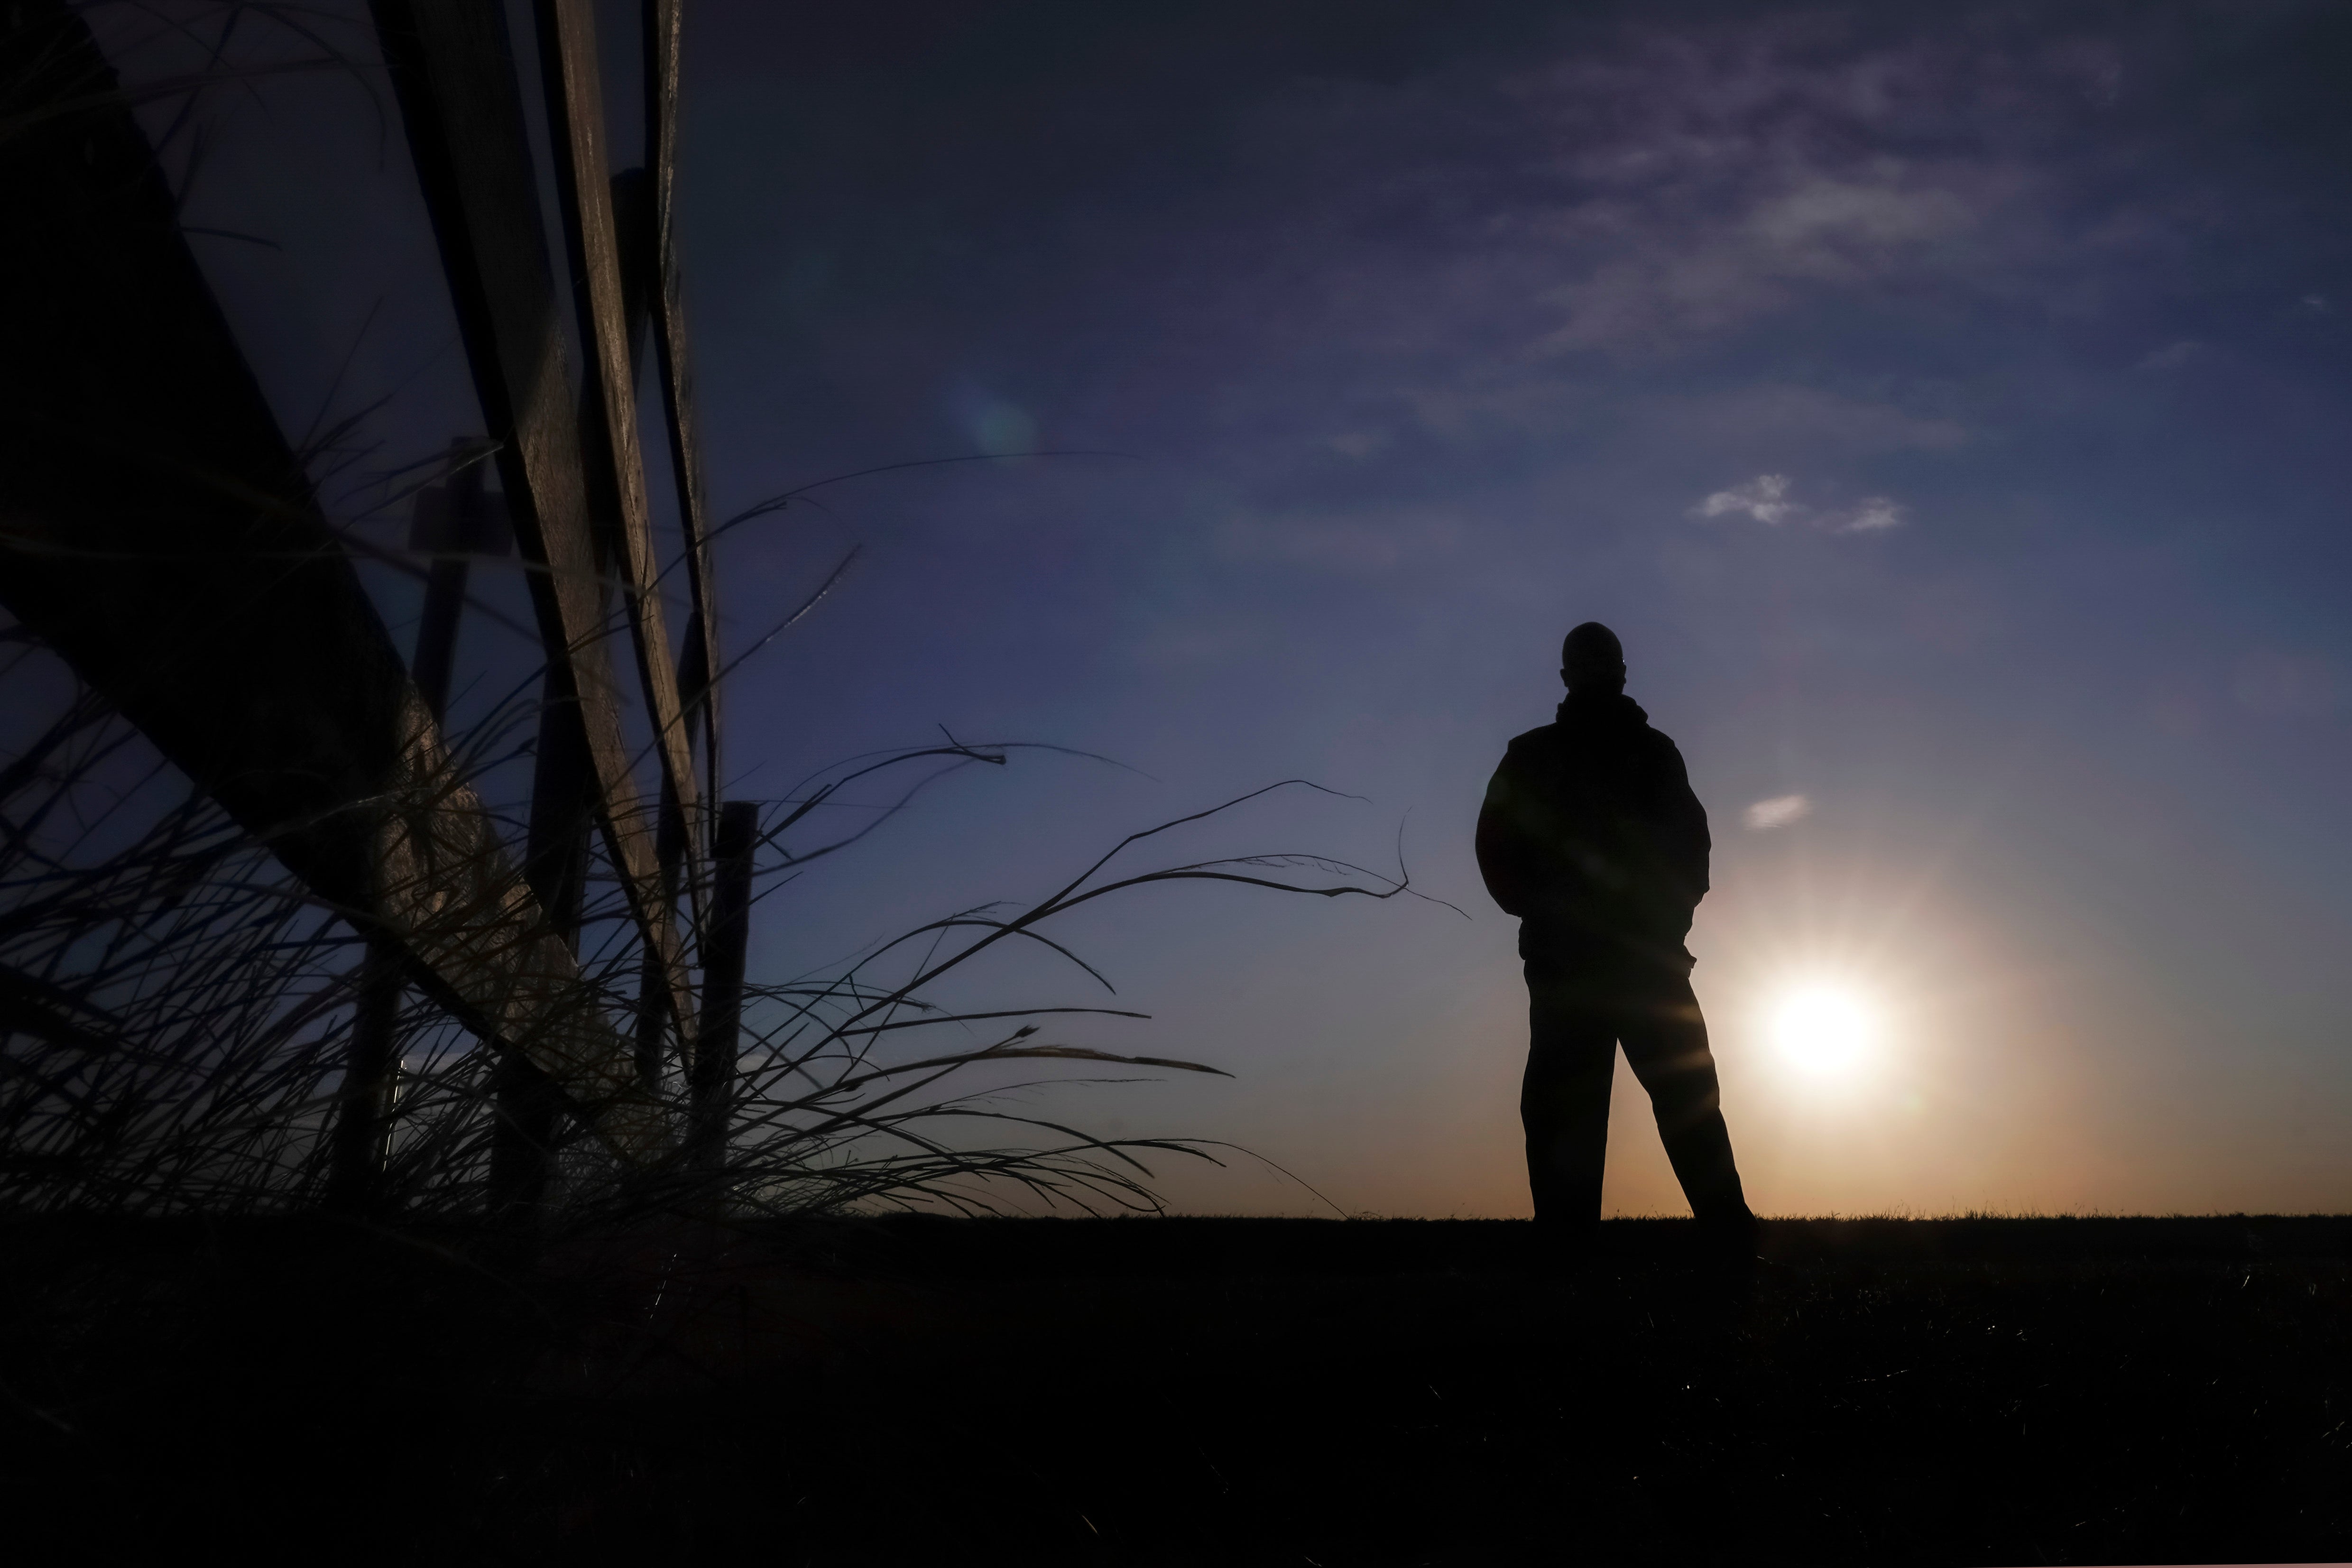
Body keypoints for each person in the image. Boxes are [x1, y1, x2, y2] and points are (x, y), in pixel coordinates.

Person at [1475, 622, 1758, 1261]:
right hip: (1620, 961)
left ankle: (1580, 1257)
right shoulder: (1639, 754)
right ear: (1613, 673)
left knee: (1603, 1107)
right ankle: (1721, 1245)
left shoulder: (1558, 755)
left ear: (1571, 676)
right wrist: (1657, 926)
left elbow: (1692, 851)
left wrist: (1556, 918)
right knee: (1674, 1102)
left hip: (1594, 962)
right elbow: (1694, 852)